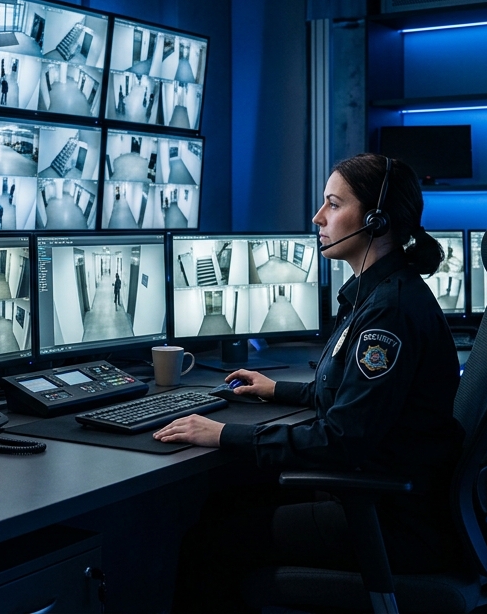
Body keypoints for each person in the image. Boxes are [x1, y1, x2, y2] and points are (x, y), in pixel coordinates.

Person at [157, 153, 465, 614]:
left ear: (376, 220)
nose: (319, 218)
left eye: (333, 204)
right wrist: (275, 389)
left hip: (389, 519)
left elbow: (343, 437)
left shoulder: (390, 313)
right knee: (222, 504)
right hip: (390, 496)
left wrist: (223, 433)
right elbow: (357, 397)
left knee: (211, 540)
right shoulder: (376, 294)